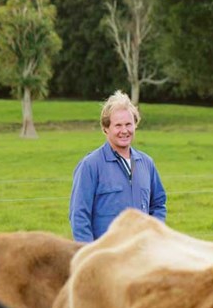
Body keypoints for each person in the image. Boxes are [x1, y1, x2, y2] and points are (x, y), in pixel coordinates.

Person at [69, 90, 167, 242]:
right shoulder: (90, 165)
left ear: (136, 125)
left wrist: (153, 237)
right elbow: (79, 216)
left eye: (129, 124)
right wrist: (90, 254)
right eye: (118, 125)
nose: (124, 131)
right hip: (107, 256)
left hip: (141, 253)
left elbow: (158, 204)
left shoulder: (146, 163)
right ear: (106, 128)